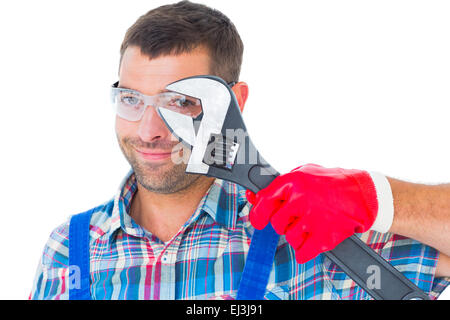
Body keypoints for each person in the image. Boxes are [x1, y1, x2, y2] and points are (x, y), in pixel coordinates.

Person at [30, 0, 449, 300]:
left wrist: (379, 199)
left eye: (179, 102)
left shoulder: (308, 234)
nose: (149, 130)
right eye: (132, 99)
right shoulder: (69, 249)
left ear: (235, 103)